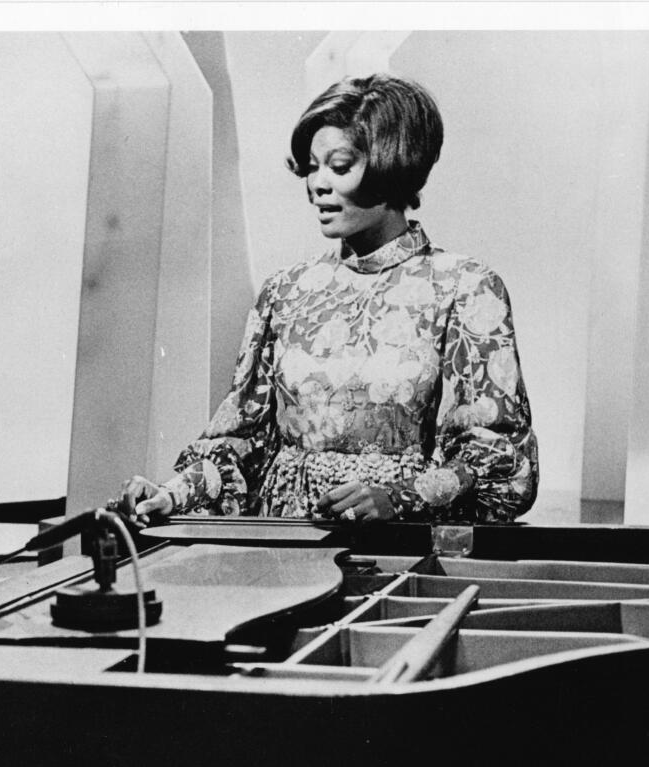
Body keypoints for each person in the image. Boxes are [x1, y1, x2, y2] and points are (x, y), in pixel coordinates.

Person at [122, 73, 537, 525]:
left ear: (393, 165)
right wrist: (172, 494)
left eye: (339, 167)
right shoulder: (285, 291)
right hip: (283, 539)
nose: (318, 184)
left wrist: (400, 498)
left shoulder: (465, 286)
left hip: (396, 544)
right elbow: (241, 444)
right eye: (312, 166)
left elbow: (499, 457)